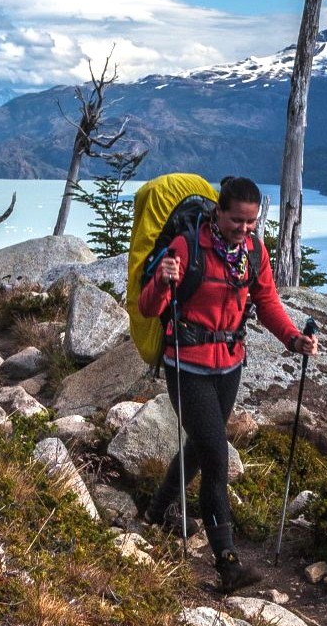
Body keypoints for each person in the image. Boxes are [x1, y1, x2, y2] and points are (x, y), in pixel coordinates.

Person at [136, 176, 317, 589]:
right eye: (237, 220)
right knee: (217, 454)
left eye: (252, 223)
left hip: (229, 366)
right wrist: (163, 280)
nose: (244, 229)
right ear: (219, 212)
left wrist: (292, 338)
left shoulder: (252, 253)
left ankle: (156, 509)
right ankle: (228, 562)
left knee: (201, 447)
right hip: (187, 365)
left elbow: (266, 301)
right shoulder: (187, 247)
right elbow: (150, 307)